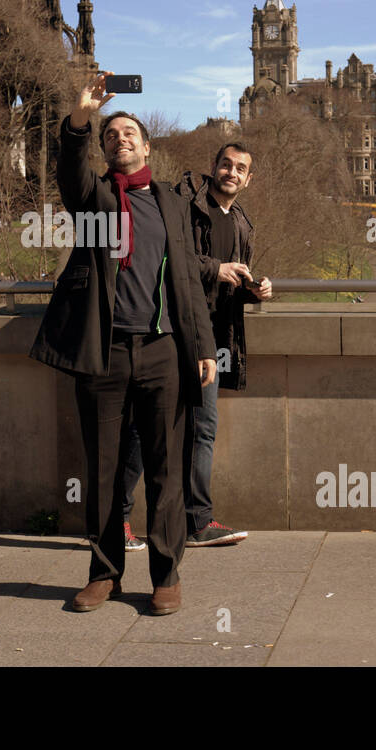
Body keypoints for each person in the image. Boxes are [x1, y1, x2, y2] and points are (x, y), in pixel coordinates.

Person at [29, 72, 216, 615]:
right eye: (112, 136)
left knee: (165, 468)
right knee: (105, 469)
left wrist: (203, 346)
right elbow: (69, 170)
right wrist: (84, 115)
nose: (121, 139)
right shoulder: (95, 198)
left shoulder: (174, 205)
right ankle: (104, 573)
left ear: (147, 145)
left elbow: (184, 281)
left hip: (163, 351)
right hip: (103, 351)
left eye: (129, 132)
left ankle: (166, 575)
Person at [121, 143, 273, 549]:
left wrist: (255, 289)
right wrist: (215, 268)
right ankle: (114, 520)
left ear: (248, 179)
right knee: (145, 427)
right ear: (214, 167)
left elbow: (228, 284)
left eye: (241, 168)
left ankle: (197, 522)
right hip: (172, 332)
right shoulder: (186, 204)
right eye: (226, 164)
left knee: (203, 429)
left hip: (212, 339)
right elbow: (168, 259)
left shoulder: (240, 220)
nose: (232, 172)